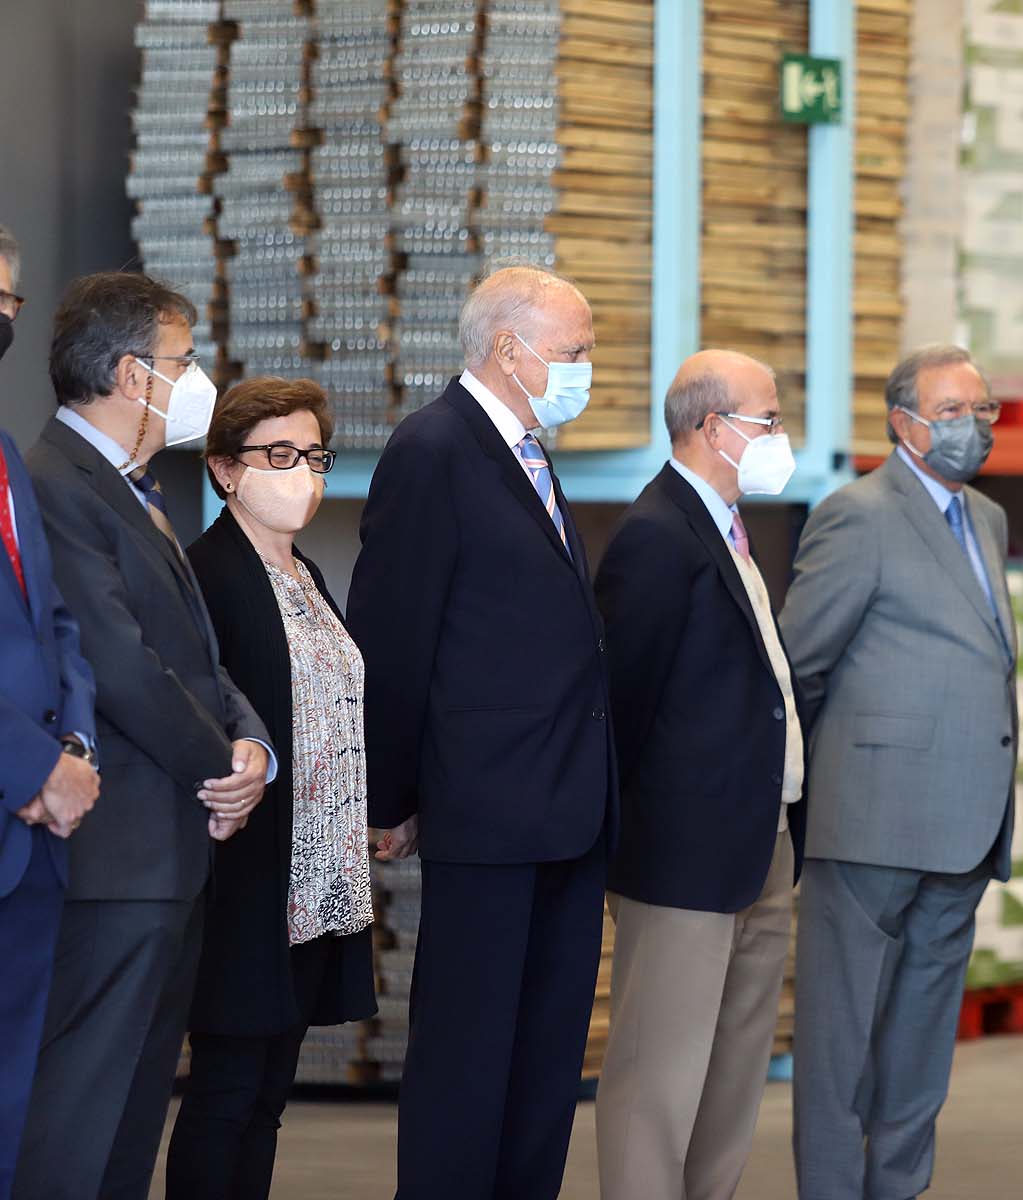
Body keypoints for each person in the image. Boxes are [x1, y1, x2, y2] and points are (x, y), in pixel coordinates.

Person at [346, 264, 615, 1200]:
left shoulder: (532, 455)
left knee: (543, 1064)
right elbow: (393, 632)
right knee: (469, 1057)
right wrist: (392, 794)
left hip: (567, 808)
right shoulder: (434, 450)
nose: (586, 371)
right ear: (510, 349)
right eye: (574, 353)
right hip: (490, 810)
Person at [17, 272, 273, 1200]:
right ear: (132, 374)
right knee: (80, 1117)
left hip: (167, 859)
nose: (194, 377)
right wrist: (221, 769)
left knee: (130, 1117)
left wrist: (253, 748)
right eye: (181, 359)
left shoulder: (135, 488)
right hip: (116, 862)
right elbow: (121, 664)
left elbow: (196, 654)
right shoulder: (55, 484)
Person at [781, 344, 1017, 1200]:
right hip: (871, 822)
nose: (972, 428)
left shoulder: (984, 519)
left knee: (918, 1050)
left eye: (982, 410)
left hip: (962, 828)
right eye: (952, 411)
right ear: (903, 422)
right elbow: (800, 664)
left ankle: (899, 1190)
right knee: (842, 1045)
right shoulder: (858, 513)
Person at [591, 349, 805, 1200]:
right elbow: (622, 704)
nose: (781, 435)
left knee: (732, 1072)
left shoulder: (730, 532)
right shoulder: (656, 535)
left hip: (762, 843)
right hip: (682, 860)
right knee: (658, 1075)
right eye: (770, 418)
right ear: (714, 428)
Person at [164, 377, 378, 1199]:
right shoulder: (208, 573)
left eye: (314, 456)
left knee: (268, 1098)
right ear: (225, 470)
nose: (304, 475)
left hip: (316, 877)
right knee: (225, 1092)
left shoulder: (308, 576)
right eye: (278, 455)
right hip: (250, 875)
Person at [0, 223, 102, 1200]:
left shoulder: (3, 452)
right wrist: (31, 770)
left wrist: (71, 746)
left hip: (33, 845)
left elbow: (54, 620)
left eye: (6, 303)